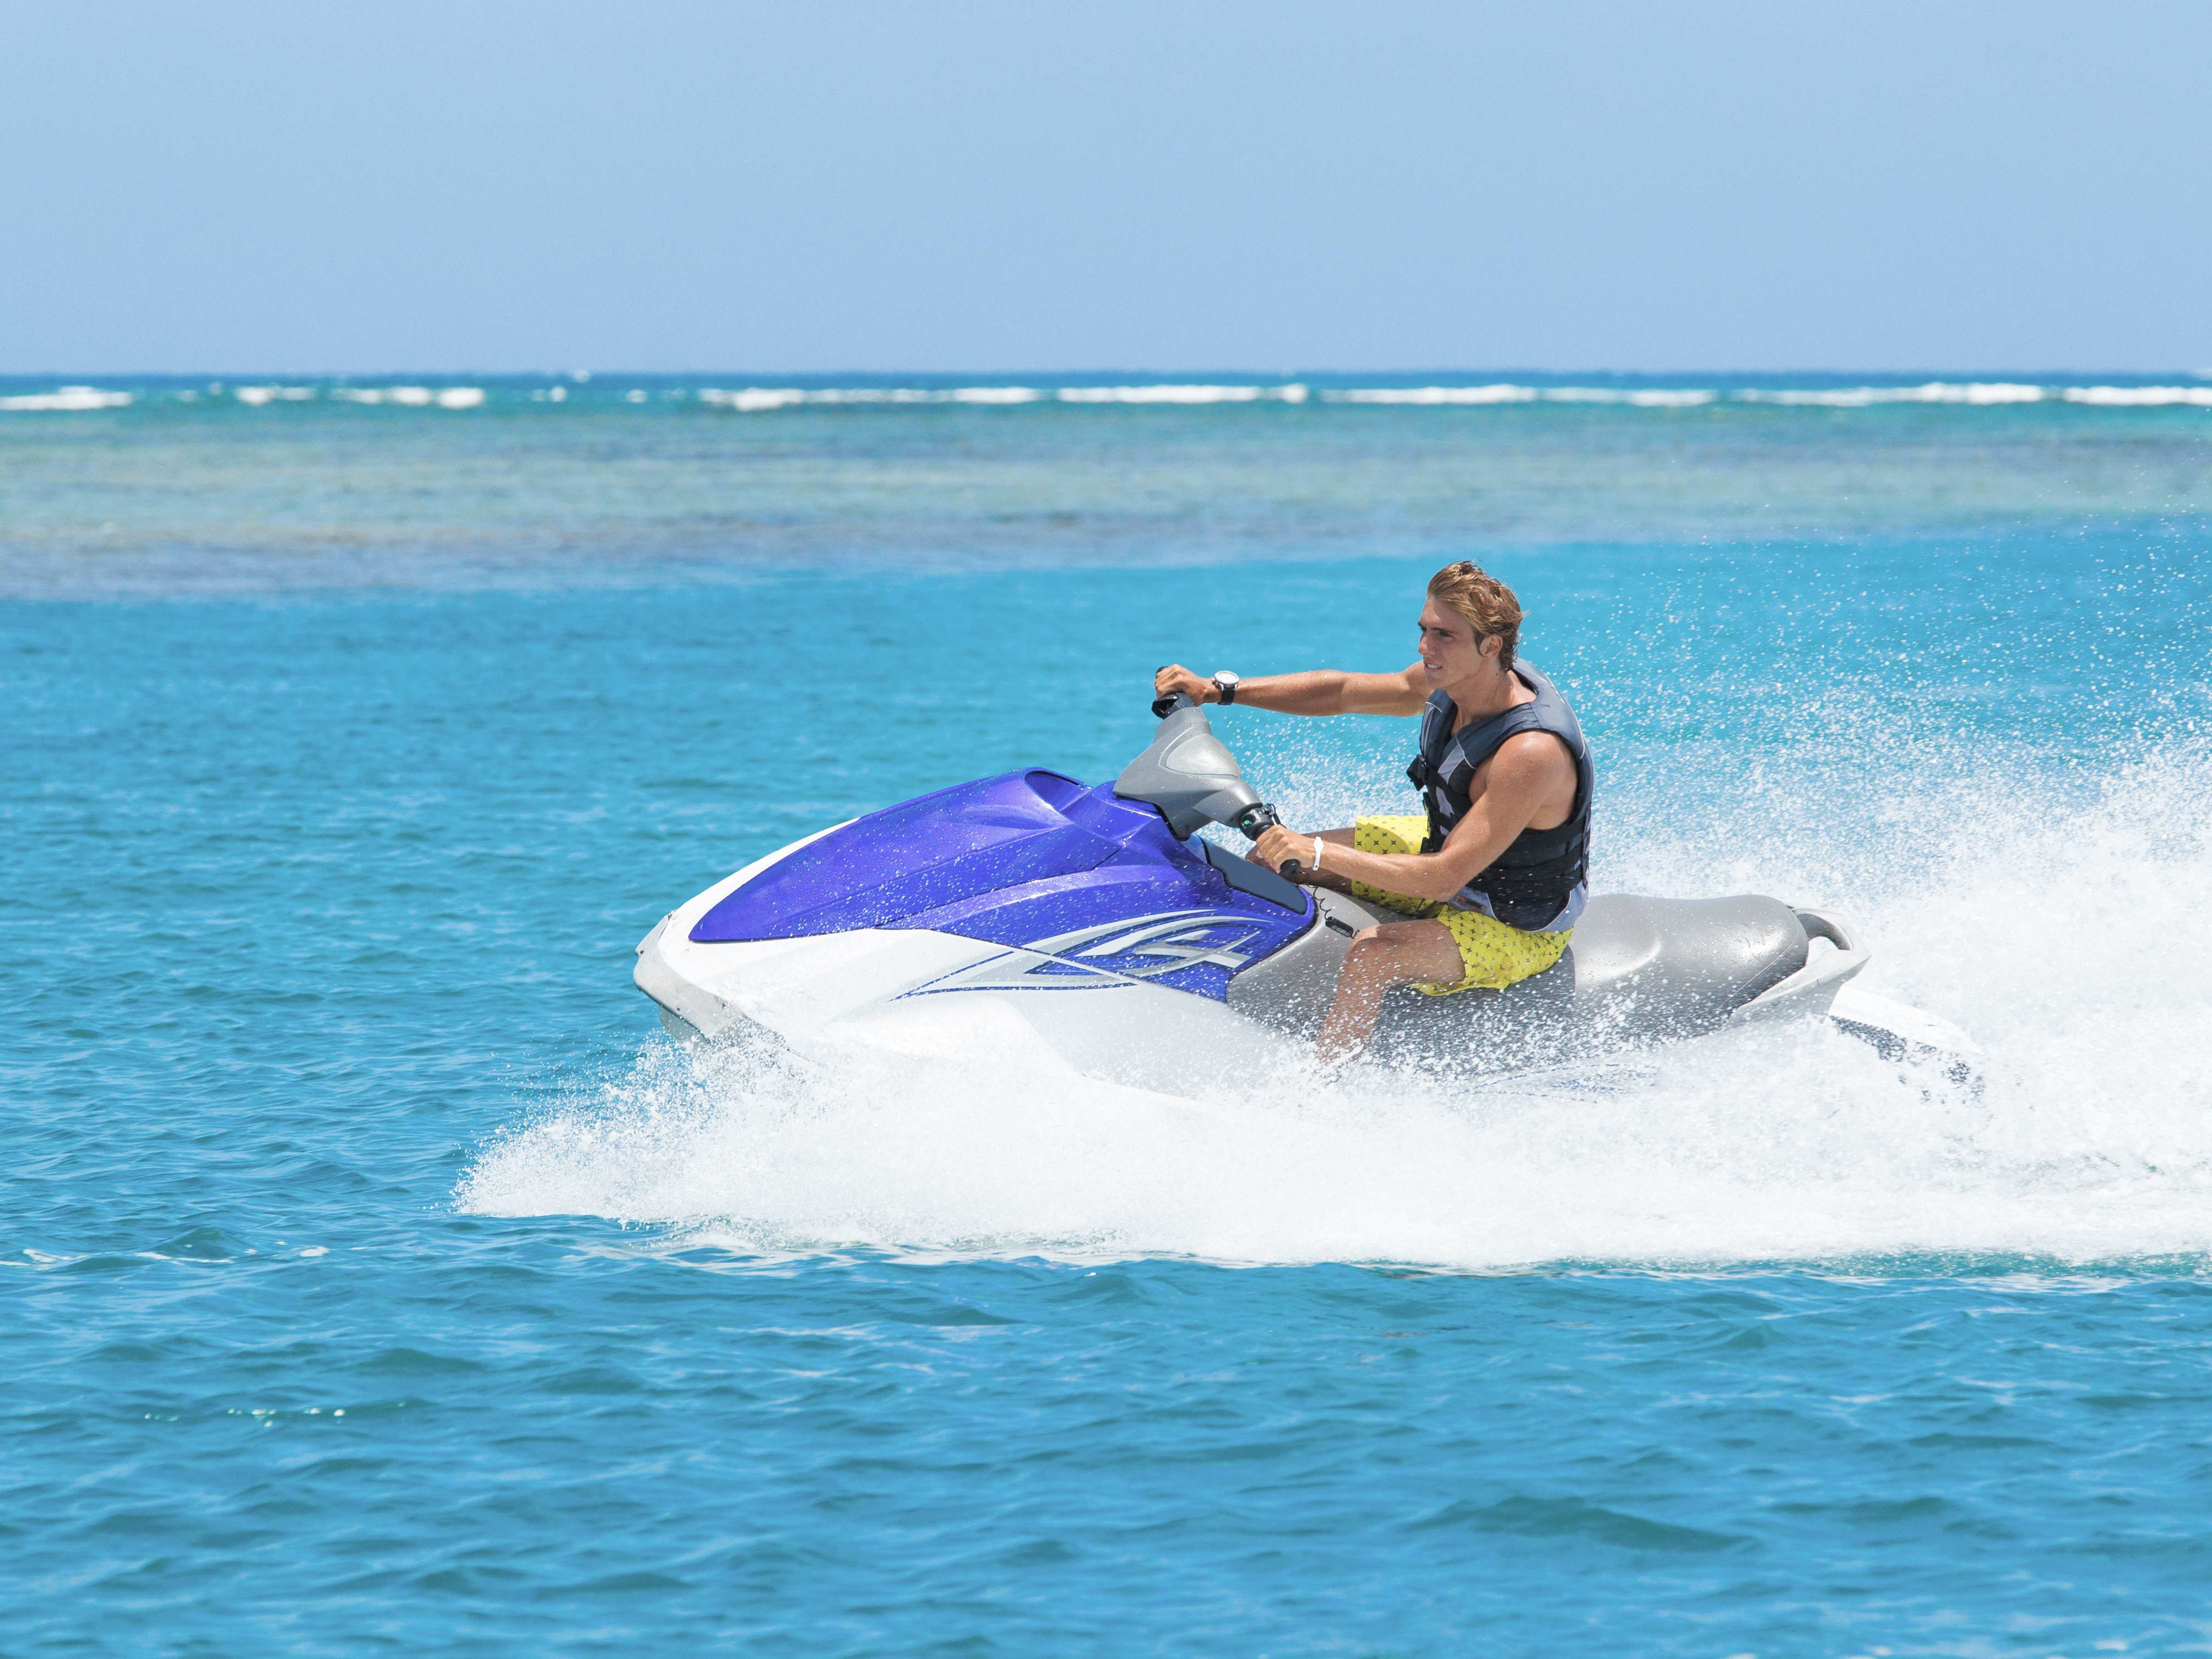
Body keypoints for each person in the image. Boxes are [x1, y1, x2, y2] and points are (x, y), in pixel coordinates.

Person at [1153, 562, 1593, 1062]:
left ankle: (1328, 1091)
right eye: (1424, 630)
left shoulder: (1530, 753)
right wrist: (1222, 691)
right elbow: (1342, 692)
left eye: (1444, 635)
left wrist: (1316, 850)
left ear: (1490, 646)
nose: (1425, 648)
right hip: (1444, 847)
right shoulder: (1455, 680)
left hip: (1510, 922)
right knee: (1269, 860)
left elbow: (1442, 879)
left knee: (1371, 954)